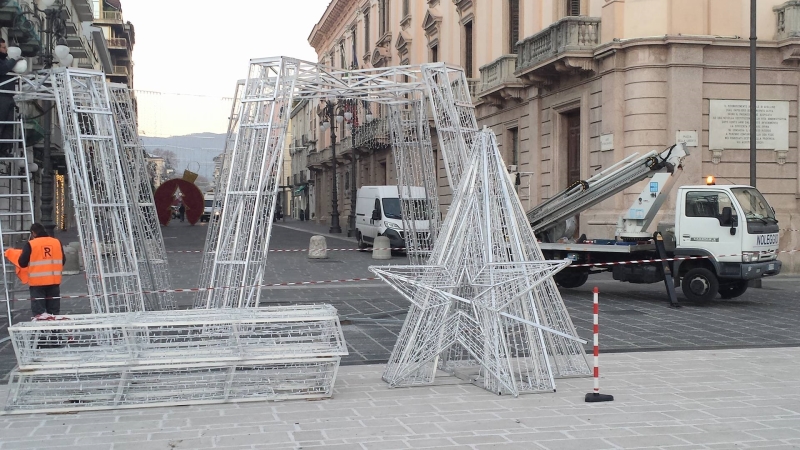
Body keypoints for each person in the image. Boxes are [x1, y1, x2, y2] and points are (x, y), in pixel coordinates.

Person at [18, 223, 65, 317]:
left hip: (37, 284)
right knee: (54, 312)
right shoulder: (56, 242)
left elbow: (22, 263)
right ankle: (55, 331)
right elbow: (63, 260)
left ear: (33, 233)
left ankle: (42, 331)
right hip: (54, 282)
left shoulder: (31, 244)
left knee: (39, 313)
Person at [0, 39, 19, 157]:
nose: (6, 50)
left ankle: (5, 148)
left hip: (8, 95)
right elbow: (3, 69)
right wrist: (14, 60)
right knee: (1, 122)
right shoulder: (4, 62)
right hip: (1, 95)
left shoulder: (5, 61)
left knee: (9, 123)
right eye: (3, 47)